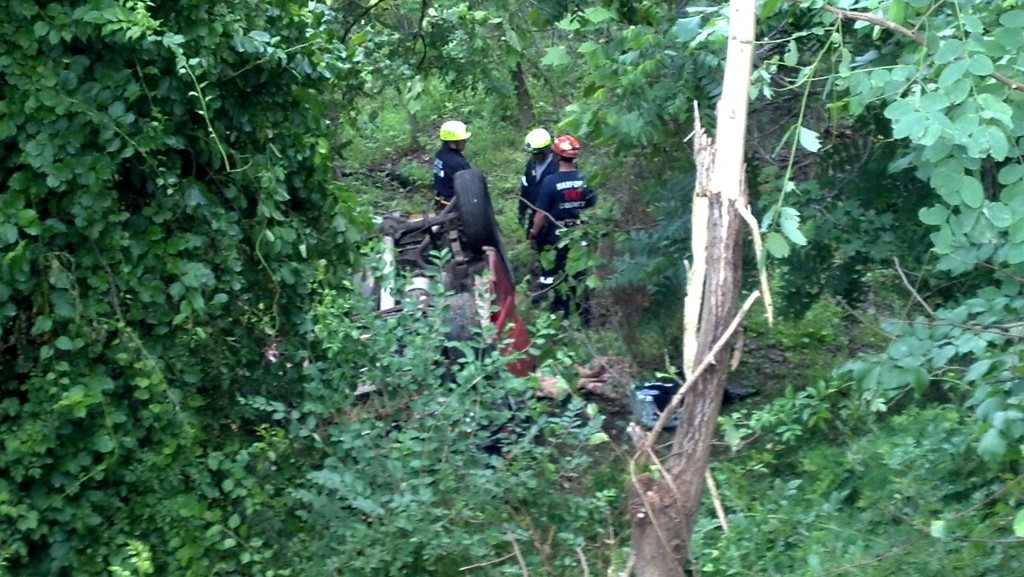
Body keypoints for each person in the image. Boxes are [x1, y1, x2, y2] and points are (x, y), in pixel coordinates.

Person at [528, 134, 597, 321]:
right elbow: (593, 208)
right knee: (580, 276)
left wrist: (533, 233)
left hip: (556, 236)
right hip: (581, 234)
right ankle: (585, 316)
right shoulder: (585, 179)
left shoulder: (550, 182)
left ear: (556, 155)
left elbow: (541, 213)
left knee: (558, 275)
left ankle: (560, 315)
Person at [518, 128, 559, 235]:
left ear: (546, 150)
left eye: (536, 153)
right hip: (535, 214)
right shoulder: (531, 164)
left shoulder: (557, 166)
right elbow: (525, 187)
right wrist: (522, 211)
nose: (534, 156)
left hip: (554, 218)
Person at [432, 120, 472, 211]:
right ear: (453, 142)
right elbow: (469, 188)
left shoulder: (440, 154)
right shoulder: (458, 163)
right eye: (462, 140)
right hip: (453, 205)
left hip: (440, 201)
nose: (465, 142)